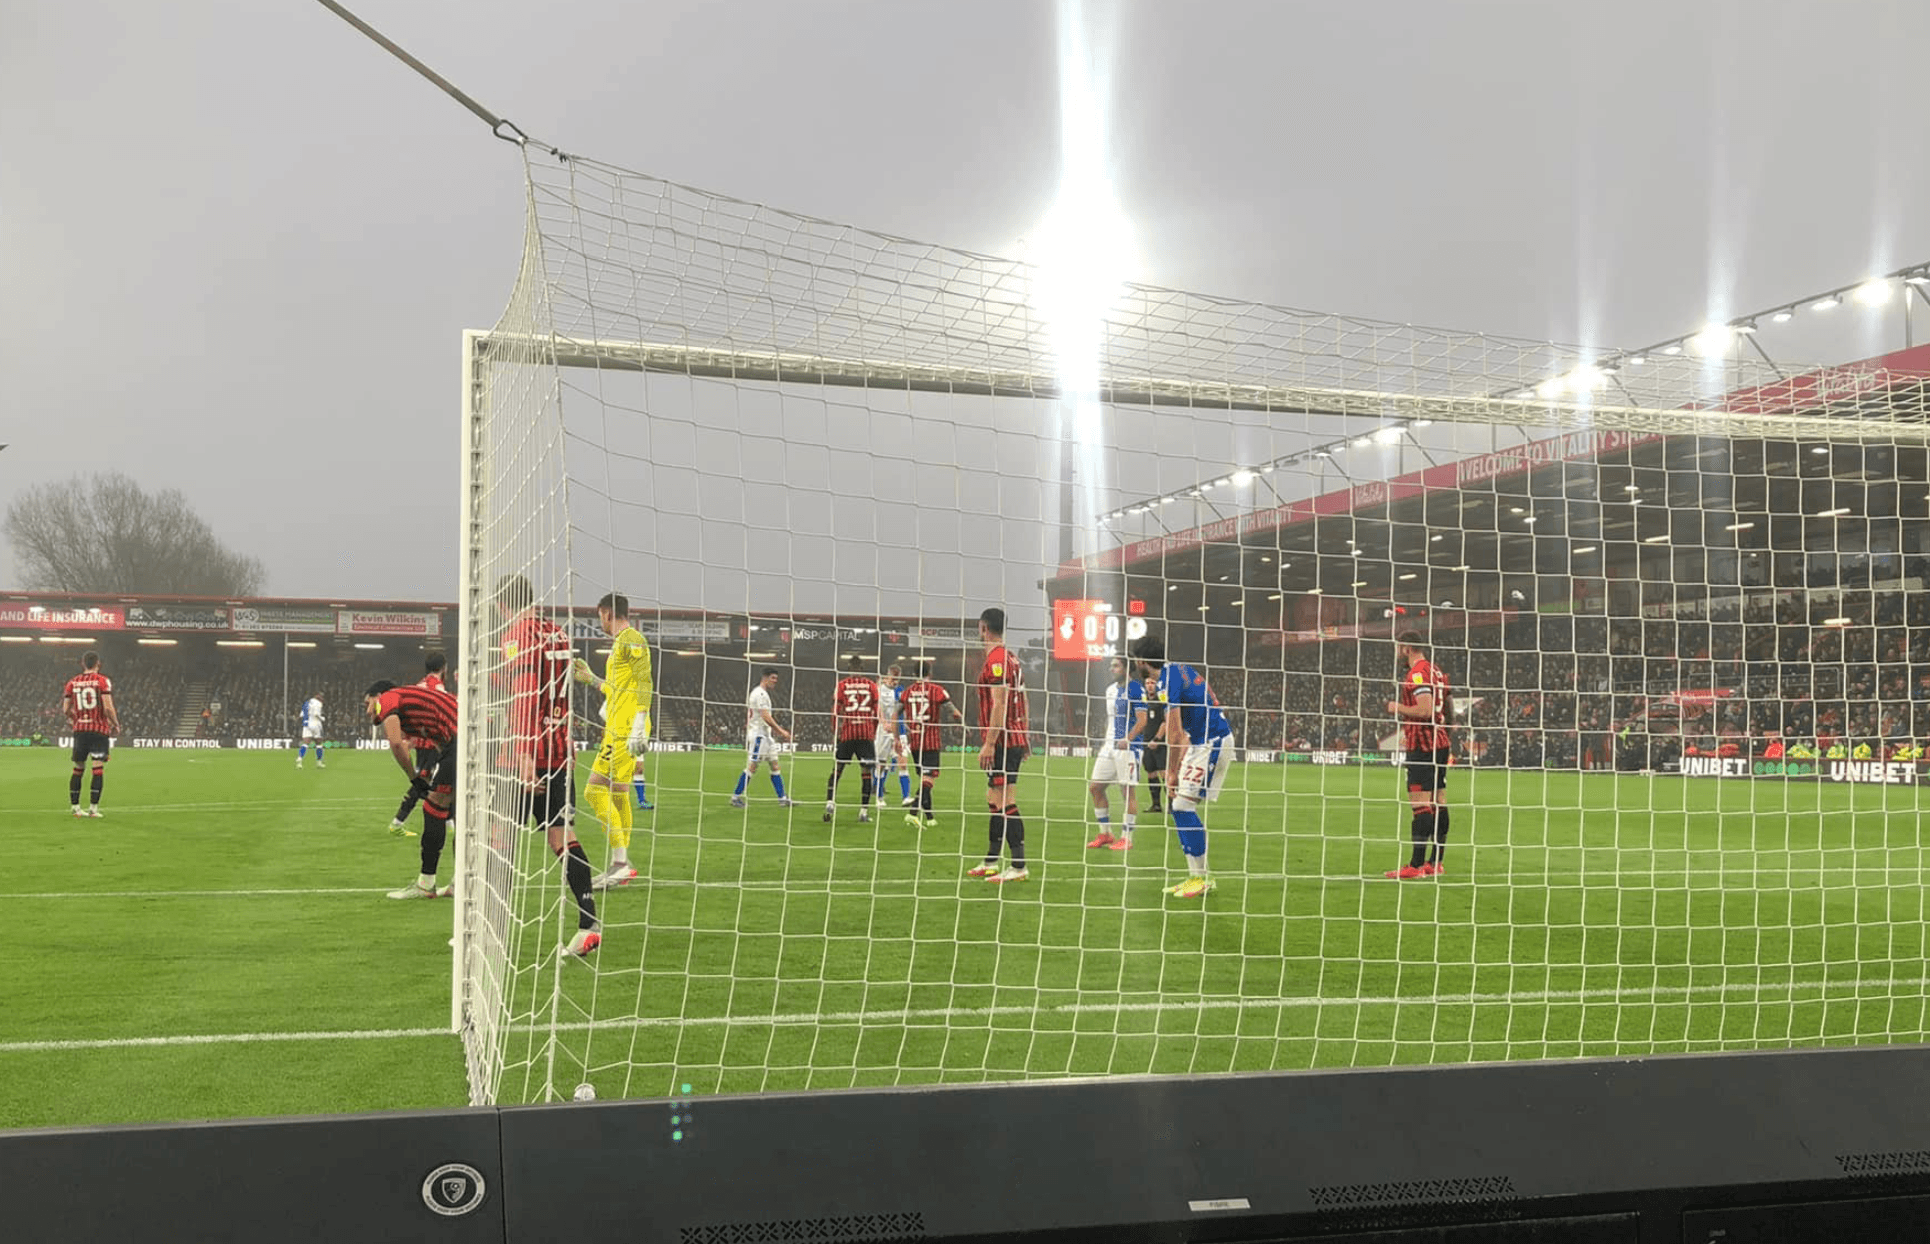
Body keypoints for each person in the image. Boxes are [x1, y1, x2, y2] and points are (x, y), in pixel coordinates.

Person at [496, 573, 600, 958]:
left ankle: (492, 927)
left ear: (500, 605)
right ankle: (588, 923)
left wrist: (523, 755)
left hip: (528, 757)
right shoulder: (556, 632)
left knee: (497, 840)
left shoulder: (517, 634)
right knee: (562, 838)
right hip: (560, 751)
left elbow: (525, 695)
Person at [1131, 633, 1233, 898]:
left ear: (1142, 660)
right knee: (1178, 806)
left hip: (1212, 741)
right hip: (1200, 742)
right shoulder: (1180, 671)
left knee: (1182, 805)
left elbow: (1174, 733)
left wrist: (1172, 772)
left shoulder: (1167, 680)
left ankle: (1201, 879)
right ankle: (1196, 877)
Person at [573, 593, 653, 889]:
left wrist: (640, 724)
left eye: (600, 617)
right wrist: (591, 679)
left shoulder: (632, 638)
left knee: (594, 790)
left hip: (625, 728)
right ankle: (621, 865)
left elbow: (645, 680)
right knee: (618, 792)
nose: (600, 623)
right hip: (620, 725)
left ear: (607, 613)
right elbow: (617, 690)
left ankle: (620, 863)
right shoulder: (620, 644)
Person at [366, 678, 460, 900]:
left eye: (367, 703)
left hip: (462, 741)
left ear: (377, 696)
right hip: (466, 739)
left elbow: (396, 743)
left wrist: (413, 778)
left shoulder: (388, 698)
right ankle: (460, 882)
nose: (369, 712)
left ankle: (426, 885)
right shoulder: (412, 708)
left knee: (434, 808)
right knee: (462, 814)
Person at [968, 607, 1031, 883]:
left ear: (983, 628)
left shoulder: (996, 658)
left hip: (1003, 740)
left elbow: (1000, 701)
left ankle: (1018, 866)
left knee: (1005, 801)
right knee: (993, 799)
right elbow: (1024, 698)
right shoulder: (1013, 658)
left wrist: (990, 743)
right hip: (1013, 737)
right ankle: (992, 860)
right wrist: (1025, 735)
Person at [1384, 630, 1453, 879]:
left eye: (1398, 648)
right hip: (1440, 742)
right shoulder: (1437, 671)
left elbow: (1424, 710)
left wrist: (1397, 707)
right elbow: (1449, 706)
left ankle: (1415, 866)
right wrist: (1449, 738)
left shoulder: (1416, 673)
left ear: (1406, 648)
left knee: (1420, 805)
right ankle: (1435, 863)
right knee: (1438, 801)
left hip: (1422, 745)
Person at [1086, 656, 1148, 851]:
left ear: (1126, 668)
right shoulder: (1110, 690)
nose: (1112, 669)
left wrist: (1128, 738)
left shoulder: (1136, 689)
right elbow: (1110, 719)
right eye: (1111, 665)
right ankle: (1105, 833)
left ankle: (1126, 838)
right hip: (1109, 746)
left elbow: (1142, 719)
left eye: (1116, 666)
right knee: (1095, 787)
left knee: (1127, 791)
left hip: (1128, 748)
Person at [390, 652, 454, 835]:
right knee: (433, 781)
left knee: (441, 781)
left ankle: (450, 823)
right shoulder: (437, 687)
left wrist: (409, 737)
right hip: (432, 742)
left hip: (422, 741)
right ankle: (397, 822)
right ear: (444, 668)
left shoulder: (419, 685)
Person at [900, 668, 964, 828]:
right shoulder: (936, 690)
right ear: (930, 673)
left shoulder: (907, 692)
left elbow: (896, 713)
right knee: (928, 780)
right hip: (930, 742)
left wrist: (896, 736)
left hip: (914, 742)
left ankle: (929, 817)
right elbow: (953, 712)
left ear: (914, 674)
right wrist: (961, 720)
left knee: (925, 780)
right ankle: (912, 813)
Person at [62, 651, 118, 818]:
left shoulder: (72, 682)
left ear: (82, 663)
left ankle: (75, 807)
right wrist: (116, 723)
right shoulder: (102, 681)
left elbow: (65, 709)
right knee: (97, 768)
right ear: (98, 664)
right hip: (99, 731)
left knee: (78, 768)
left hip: (80, 731)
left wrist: (76, 719)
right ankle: (93, 809)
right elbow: (108, 708)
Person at [731, 668, 794, 806]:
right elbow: (765, 716)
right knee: (752, 766)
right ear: (765, 678)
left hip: (767, 736)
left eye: (776, 679)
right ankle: (735, 797)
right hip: (759, 736)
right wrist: (781, 731)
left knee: (775, 765)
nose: (775, 681)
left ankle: (782, 798)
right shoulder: (759, 694)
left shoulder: (763, 693)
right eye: (773, 678)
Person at [825, 668, 880, 823]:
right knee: (866, 774)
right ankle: (863, 812)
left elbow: (835, 712)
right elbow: (876, 712)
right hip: (865, 734)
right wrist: (873, 731)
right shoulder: (871, 685)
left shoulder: (842, 684)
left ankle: (830, 803)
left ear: (849, 670)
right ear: (862, 670)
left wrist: (836, 733)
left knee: (837, 771)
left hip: (848, 734)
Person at [872, 665, 915, 808]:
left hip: (900, 730)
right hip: (884, 731)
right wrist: (883, 722)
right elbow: (878, 708)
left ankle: (906, 797)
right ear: (888, 675)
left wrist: (907, 725)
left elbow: (903, 710)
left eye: (898, 678)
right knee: (882, 764)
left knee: (903, 762)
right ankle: (879, 797)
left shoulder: (901, 690)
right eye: (894, 677)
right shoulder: (880, 689)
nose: (896, 680)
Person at [1141, 676, 1168, 814]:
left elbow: (1165, 721)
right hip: (1146, 742)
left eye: (1152, 683)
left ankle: (1172, 805)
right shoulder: (1143, 700)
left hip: (1160, 743)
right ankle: (1156, 805)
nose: (1150, 685)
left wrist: (1157, 739)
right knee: (1151, 773)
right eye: (1147, 683)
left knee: (1164, 773)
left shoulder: (1162, 699)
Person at [296, 692, 325, 769]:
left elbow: (301, 715)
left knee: (305, 743)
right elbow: (316, 714)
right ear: (317, 696)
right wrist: (322, 718)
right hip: (316, 724)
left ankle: (299, 759)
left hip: (307, 724)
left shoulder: (307, 703)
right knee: (319, 743)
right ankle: (319, 762)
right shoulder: (318, 703)